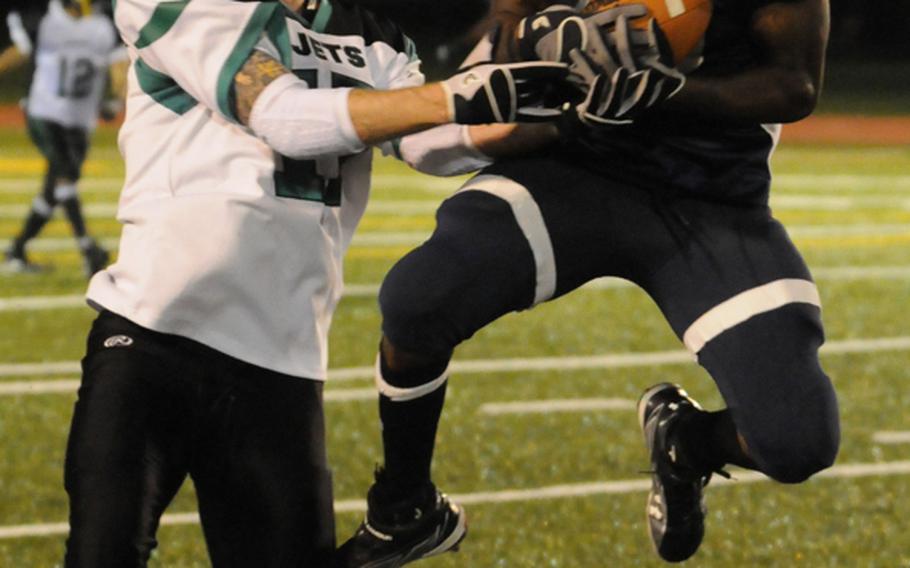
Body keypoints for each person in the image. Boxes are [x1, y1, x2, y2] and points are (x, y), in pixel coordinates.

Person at [62, 0, 572, 565]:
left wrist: (565, 117)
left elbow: (433, 142)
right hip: (154, 333)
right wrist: (458, 94)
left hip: (283, 360)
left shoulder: (375, 38)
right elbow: (281, 116)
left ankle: (406, 520)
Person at [337, 0, 840, 564]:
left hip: (710, 199)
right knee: (418, 301)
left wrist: (663, 91)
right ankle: (406, 507)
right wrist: (529, 43)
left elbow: (794, 85)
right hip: (572, 169)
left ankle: (689, 442)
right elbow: (505, 34)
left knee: (796, 440)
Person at [0, 0, 126, 277]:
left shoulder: (105, 24)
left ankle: (17, 251)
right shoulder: (44, 17)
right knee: (65, 176)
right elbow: (20, 51)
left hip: (80, 121)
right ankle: (87, 248)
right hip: (44, 113)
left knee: (53, 189)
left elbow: (120, 68)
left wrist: (117, 101)